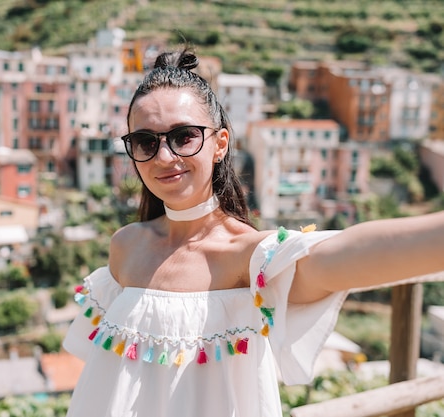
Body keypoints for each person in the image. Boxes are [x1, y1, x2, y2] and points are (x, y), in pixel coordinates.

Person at [62, 47, 444, 417]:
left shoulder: (249, 256)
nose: (164, 156)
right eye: (145, 141)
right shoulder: (125, 246)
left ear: (220, 144)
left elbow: (345, 254)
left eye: (184, 136)